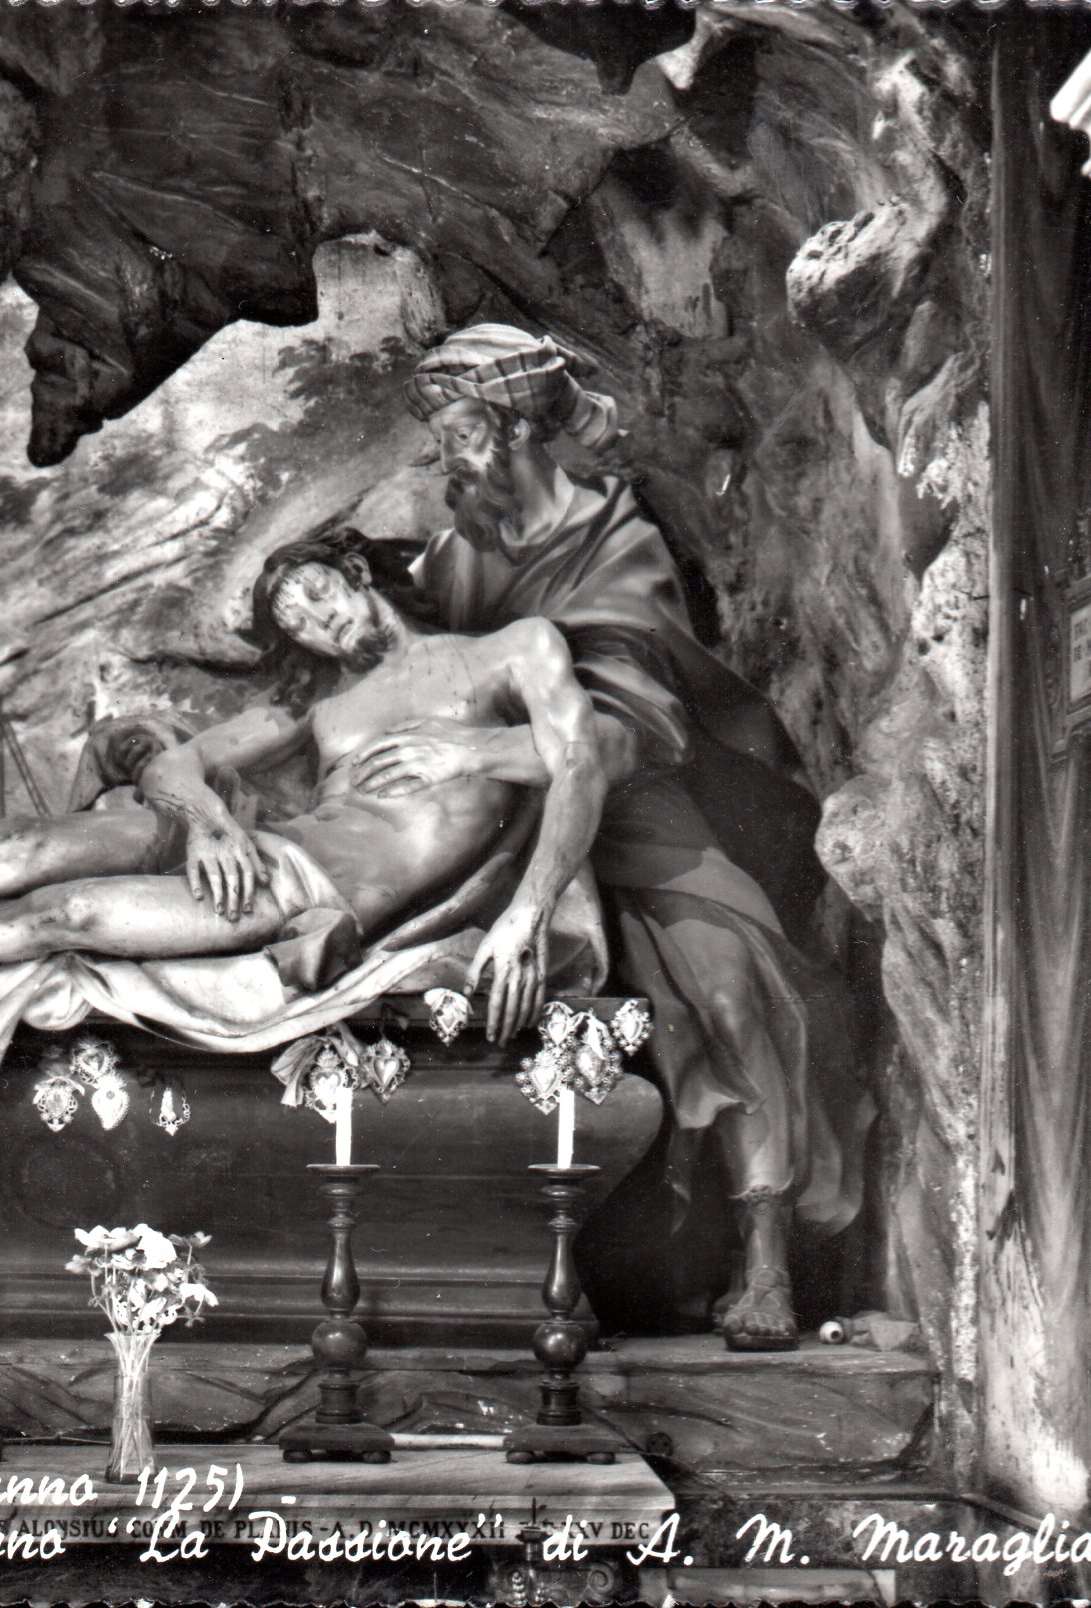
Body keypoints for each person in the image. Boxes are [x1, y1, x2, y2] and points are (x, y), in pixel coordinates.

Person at [347, 323, 875, 1350]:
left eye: (460, 434)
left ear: (516, 430)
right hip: (487, 827)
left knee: (731, 990)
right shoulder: (451, 561)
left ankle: (764, 1263)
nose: (445, 460)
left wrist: (474, 753)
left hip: (632, 815)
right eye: (440, 439)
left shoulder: (616, 539)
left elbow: (634, 735)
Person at [0, 530, 606, 1046]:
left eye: (317, 596)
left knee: (65, 914)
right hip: (244, 846)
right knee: (13, 851)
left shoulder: (511, 649)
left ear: (356, 571)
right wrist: (210, 824)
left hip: (303, 888)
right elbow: (176, 765)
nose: (318, 625)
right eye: (296, 624)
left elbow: (580, 763)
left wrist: (524, 906)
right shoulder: (318, 702)